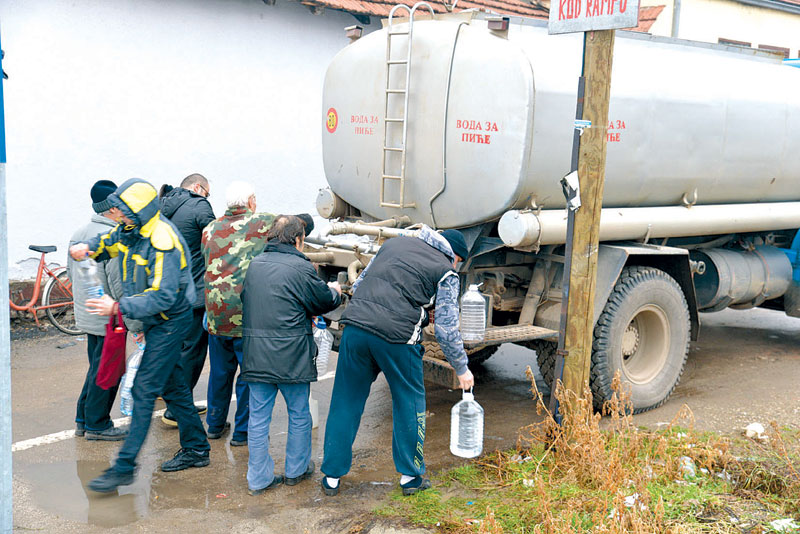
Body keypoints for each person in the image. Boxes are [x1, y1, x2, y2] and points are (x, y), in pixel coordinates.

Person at [69, 178, 211, 493]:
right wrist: (87, 248)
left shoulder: (163, 240)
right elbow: (110, 242)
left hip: (170, 321)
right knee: (174, 389)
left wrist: (117, 306)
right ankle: (197, 449)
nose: (117, 216)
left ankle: (124, 467)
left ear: (139, 210)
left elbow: (162, 295)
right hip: (155, 320)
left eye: (121, 211)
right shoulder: (133, 230)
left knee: (144, 390)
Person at [321, 226, 475, 497]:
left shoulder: (394, 245)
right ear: (455, 257)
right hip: (397, 340)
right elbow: (447, 329)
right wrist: (461, 367)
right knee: (409, 401)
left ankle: (332, 476)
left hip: (355, 327)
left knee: (346, 400)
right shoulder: (447, 270)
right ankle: (410, 477)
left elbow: (359, 284)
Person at [241, 215, 342, 495]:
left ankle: (258, 479)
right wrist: (335, 292)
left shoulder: (254, 265)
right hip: (291, 355)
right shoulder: (300, 266)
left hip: (256, 354)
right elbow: (321, 302)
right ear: (298, 240)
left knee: (258, 417)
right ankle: (296, 470)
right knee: (299, 414)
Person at [200, 181, 275, 447]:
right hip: (246, 316)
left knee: (220, 373)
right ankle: (242, 432)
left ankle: (215, 425)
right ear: (251, 201)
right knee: (248, 375)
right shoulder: (262, 222)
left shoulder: (209, 228)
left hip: (215, 314)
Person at [68, 179, 143, 441]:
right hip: (109, 315)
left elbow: (70, 272)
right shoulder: (113, 236)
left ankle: (83, 419)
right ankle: (98, 425)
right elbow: (118, 282)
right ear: (111, 207)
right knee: (107, 370)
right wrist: (133, 321)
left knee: (96, 366)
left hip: (87, 312)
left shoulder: (79, 232)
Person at [160, 173, 216, 425]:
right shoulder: (198, 205)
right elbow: (216, 241)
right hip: (191, 293)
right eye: (207, 191)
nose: (207, 197)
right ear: (197, 187)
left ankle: (170, 396)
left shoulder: (161, 207)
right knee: (192, 352)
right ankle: (177, 409)